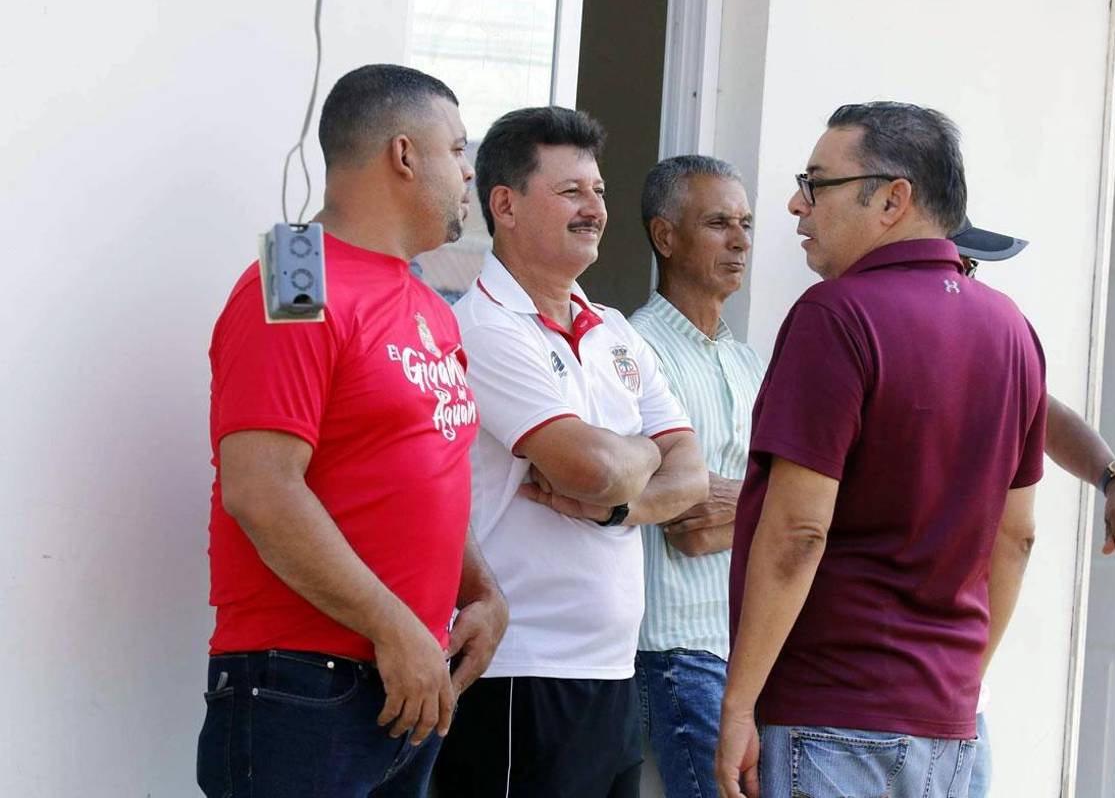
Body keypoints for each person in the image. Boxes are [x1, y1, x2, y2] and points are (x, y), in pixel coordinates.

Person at [715, 102, 1047, 798]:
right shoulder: (1012, 329)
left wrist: (740, 702)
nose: (795, 204)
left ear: (894, 198)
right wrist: (959, 682)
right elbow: (1015, 538)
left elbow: (800, 530)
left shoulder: (835, 315)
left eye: (818, 183)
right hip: (949, 721)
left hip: (831, 710)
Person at [197, 64, 508, 798]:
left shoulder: (428, 301)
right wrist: (394, 624)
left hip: (408, 682)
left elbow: (425, 470)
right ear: (404, 155)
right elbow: (260, 489)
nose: (468, 171)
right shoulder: (297, 273)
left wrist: (482, 593)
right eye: (458, 149)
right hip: (304, 685)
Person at [433, 106, 708, 798]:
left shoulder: (613, 328)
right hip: (517, 674)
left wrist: (615, 510)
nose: (595, 208)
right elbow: (594, 469)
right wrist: (644, 452)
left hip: (612, 673)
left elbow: (694, 477)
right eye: (571, 192)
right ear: (506, 204)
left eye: (600, 192)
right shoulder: (485, 328)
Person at [952, 221, 1115, 798]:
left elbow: (1038, 408)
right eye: (959, 263)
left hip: (950, 702)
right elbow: (1015, 540)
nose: (967, 279)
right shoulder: (866, 332)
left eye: (972, 267)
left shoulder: (980, 336)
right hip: (889, 703)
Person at [628, 155, 763, 798]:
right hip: (676, 645)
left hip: (747, 643)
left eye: (745, 224)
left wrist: (746, 502)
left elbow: (792, 502)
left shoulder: (748, 360)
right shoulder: (632, 348)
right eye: (718, 223)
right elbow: (684, 520)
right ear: (665, 236)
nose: (739, 240)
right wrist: (770, 505)